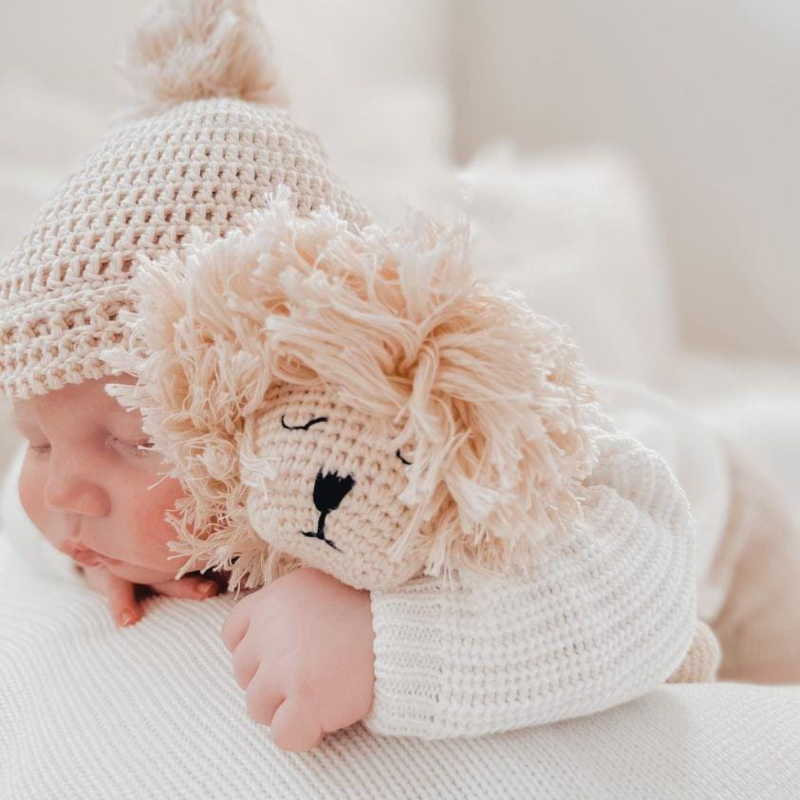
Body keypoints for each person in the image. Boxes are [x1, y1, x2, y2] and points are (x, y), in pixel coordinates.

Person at [0, 0, 705, 758]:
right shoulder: (80, 482)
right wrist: (84, 560)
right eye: (38, 440)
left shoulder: (408, 464)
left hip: (708, 492)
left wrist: (384, 643)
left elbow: (646, 585)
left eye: (133, 439)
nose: (63, 488)